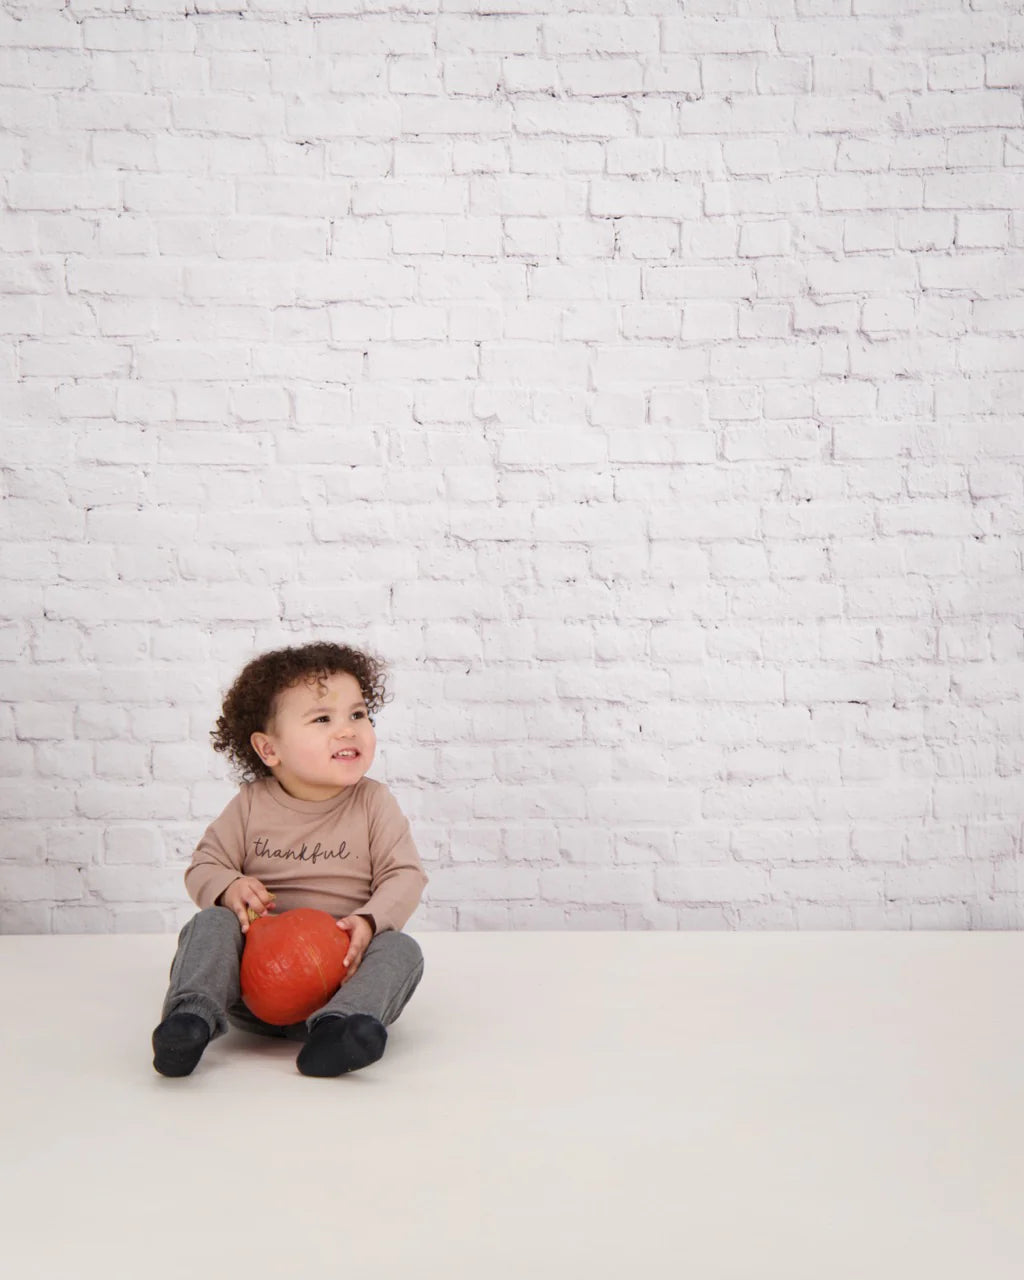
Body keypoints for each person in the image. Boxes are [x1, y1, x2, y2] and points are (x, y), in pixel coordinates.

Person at [151, 640, 428, 1079]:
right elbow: (204, 865)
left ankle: (338, 1031)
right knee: (211, 923)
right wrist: (230, 887)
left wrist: (370, 921)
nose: (347, 730)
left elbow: (405, 875)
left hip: (340, 980)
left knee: (401, 949)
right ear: (268, 750)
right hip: (250, 991)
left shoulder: (373, 803)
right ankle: (191, 1021)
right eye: (323, 719)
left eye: (358, 714)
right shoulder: (250, 805)